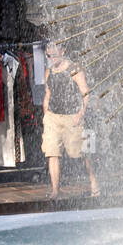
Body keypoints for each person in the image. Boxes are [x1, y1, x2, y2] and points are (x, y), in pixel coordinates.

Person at [42, 42, 100, 199]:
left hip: (72, 117)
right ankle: (55, 190)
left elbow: (85, 92)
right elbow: (47, 93)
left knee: (81, 153)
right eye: (49, 55)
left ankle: (93, 180)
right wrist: (45, 112)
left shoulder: (74, 69)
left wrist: (81, 113)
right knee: (52, 153)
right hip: (53, 118)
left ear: (63, 51)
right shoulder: (49, 72)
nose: (52, 58)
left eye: (54, 54)